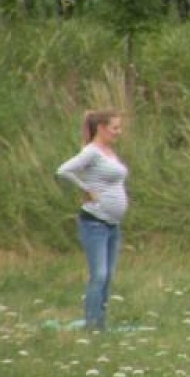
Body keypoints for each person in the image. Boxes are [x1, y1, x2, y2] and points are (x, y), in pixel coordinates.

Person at [55, 109, 131, 331]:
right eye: (115, 128)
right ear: (101, 128)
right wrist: (86, 189)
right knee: (99, 274)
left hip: (112, 224)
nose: (119, 132)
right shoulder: (92, 152)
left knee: (108, 276)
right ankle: (91, 323)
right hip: (95, 222)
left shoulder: (109, 152)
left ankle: (101, 322)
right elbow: (63, 171)